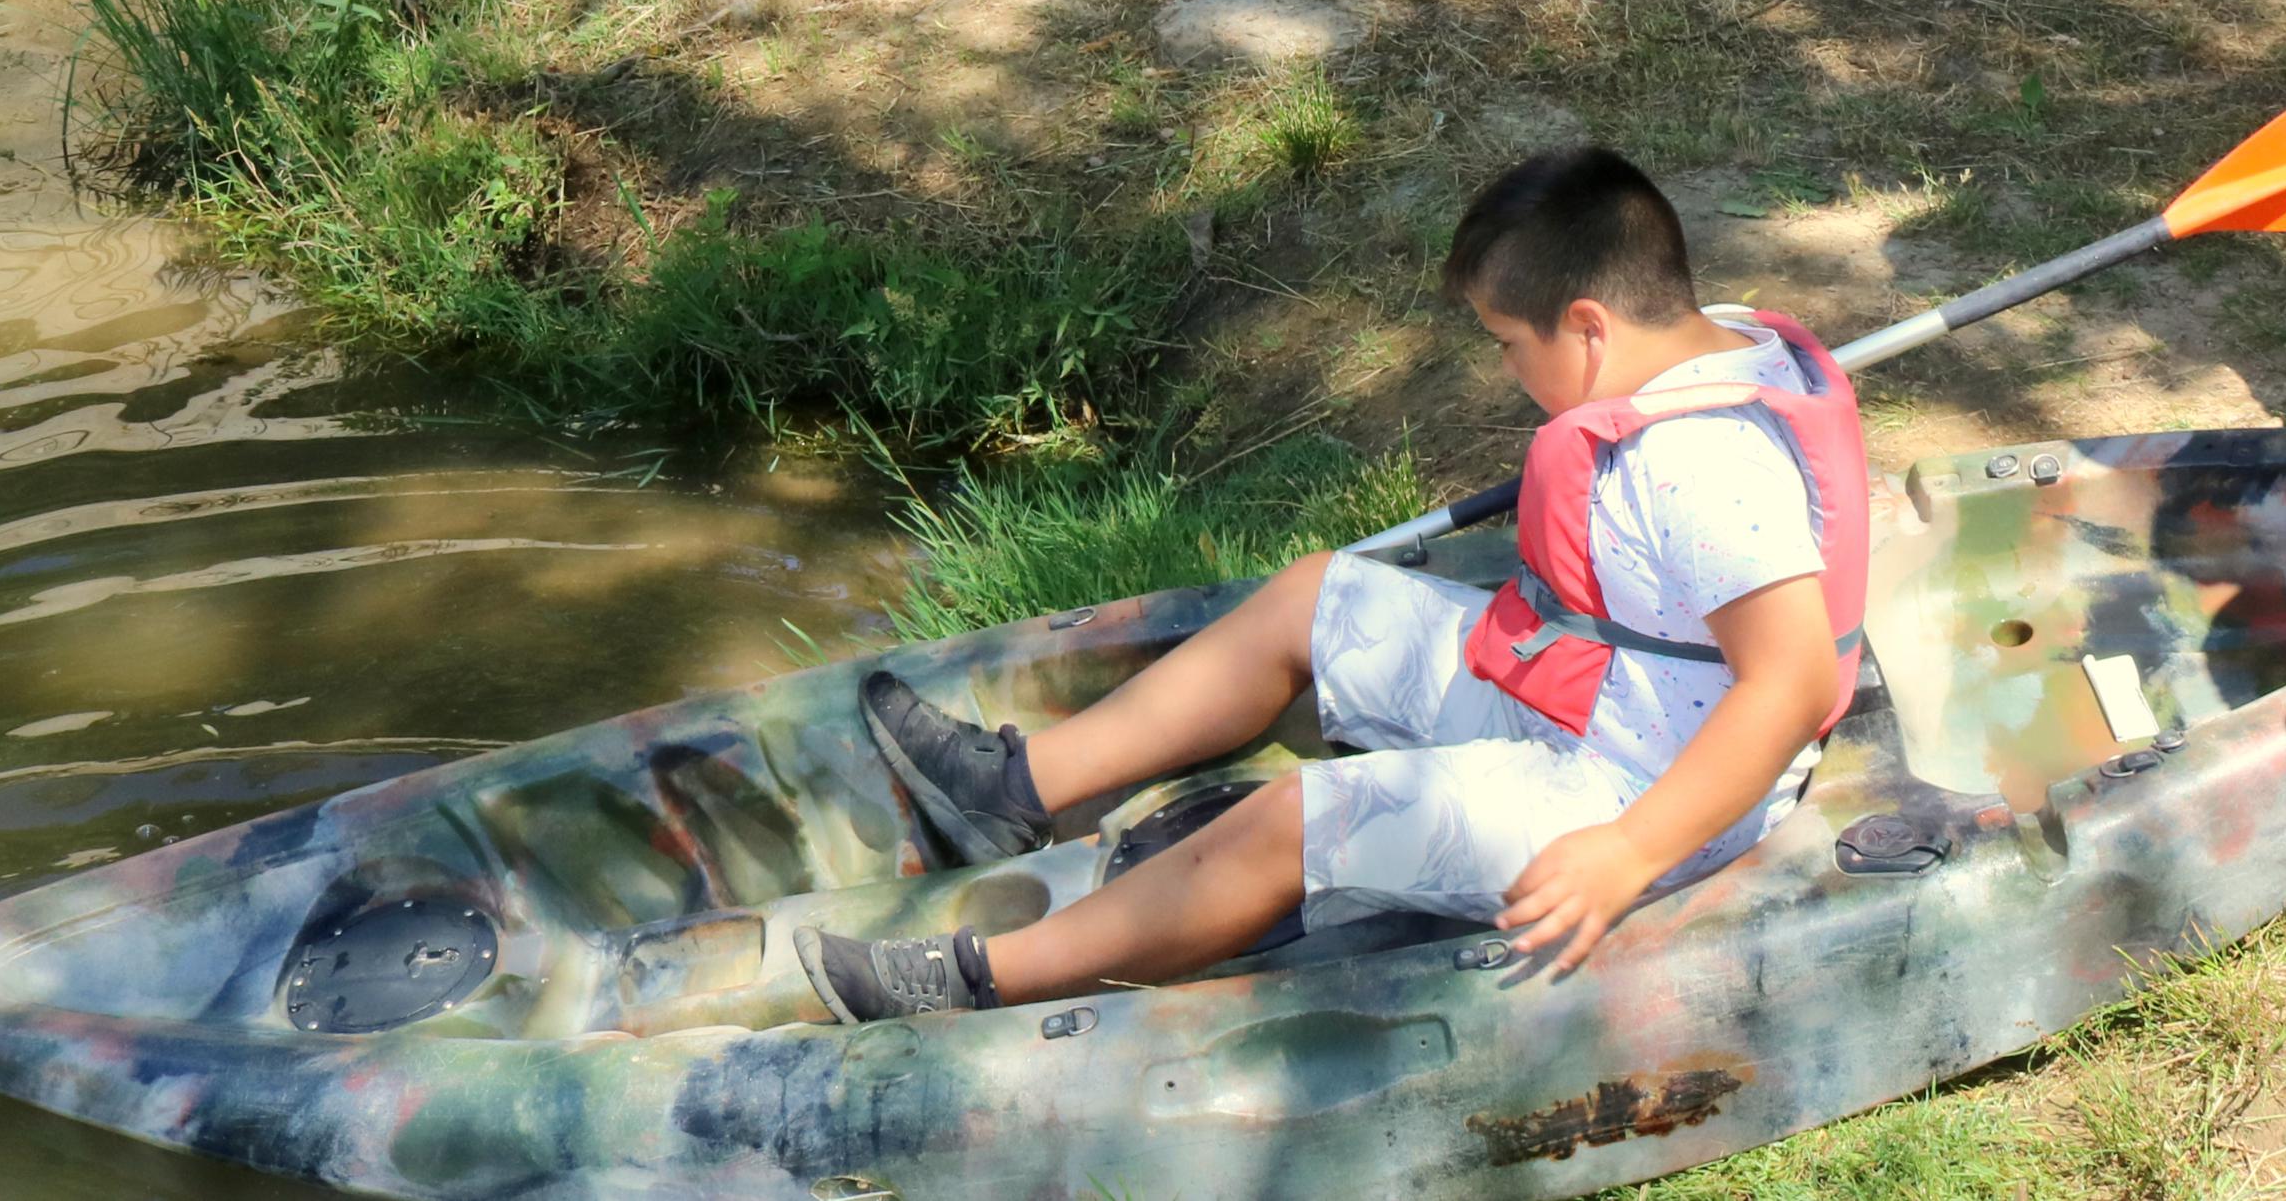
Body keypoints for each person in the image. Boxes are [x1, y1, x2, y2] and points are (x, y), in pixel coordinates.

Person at [798, 146, 1867, 1019]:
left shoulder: (1702, 466)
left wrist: (1627, 849)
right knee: (1315, 592)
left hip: (1648, 790)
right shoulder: (1715, 337)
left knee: (1291, 821)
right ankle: (1017, 787)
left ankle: (974, 982)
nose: (1502, 369)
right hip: (1590, 691)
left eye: (1505, 342)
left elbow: (1781, 686)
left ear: (1589, 325)